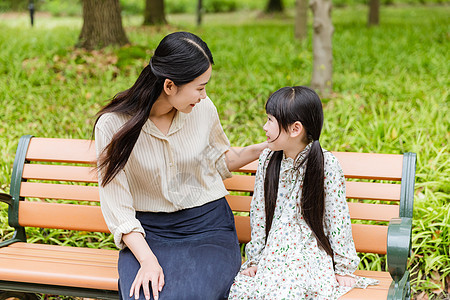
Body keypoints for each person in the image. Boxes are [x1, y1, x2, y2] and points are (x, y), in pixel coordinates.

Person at [94, 31, 267, 300]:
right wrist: (148, 261)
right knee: (144, 295)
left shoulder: (203, 108)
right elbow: (118, 207)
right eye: (199, 87)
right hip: (149, 233)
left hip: (207, 226)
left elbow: (219, 160)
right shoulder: (112, 126)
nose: (204, 95)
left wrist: (266, 147)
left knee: (196, 295)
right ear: (169, 86)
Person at [228, 86, 378, 299]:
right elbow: (259, 212)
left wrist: (343, 269)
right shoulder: (268, 160)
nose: (264, 127)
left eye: (270, 120)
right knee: (250, 290)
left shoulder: (326, 164)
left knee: (295, 288)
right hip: (274, 254)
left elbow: (337, 218)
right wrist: (254, 260)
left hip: (310, 253)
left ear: (295, 129)